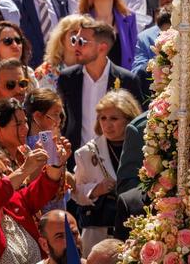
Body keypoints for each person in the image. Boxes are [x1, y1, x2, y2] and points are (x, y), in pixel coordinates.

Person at [57, 19, 145, 148]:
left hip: (115, 159)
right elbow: (63, 120)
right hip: (75, 160)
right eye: (74, 40)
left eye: (82, 42)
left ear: (102, 47)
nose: (76, 46)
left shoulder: (127, 80)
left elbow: (138, 123)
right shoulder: (67, 79)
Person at [72, 89, 142, 249]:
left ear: (129, 119)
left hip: (136, 229)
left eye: (114, 118)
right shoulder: (86, 153)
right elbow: (75, 192)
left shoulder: (144, 148)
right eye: (103, 118)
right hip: (98, 234)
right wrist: (96, 190)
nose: (107, 124)